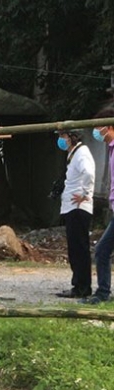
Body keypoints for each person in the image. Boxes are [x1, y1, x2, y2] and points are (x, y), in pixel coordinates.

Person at [55, 128, 95, 298]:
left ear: (72, 137)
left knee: (79, 249)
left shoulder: (81, 153)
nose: (61, 140)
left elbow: (88, 172)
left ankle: (82, 287)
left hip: (77, 208)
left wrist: (85, 194)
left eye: (63, 136)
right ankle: (78, 284)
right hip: (72, 207)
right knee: (75, 248)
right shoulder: (74, 154)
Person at [82, 107, 114, 304]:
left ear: (109, 127)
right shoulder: (110, 149)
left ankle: (102, 293)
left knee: (102, 251)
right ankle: (102, 292)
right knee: (102, 251)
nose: (96, 132)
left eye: (99, 128)